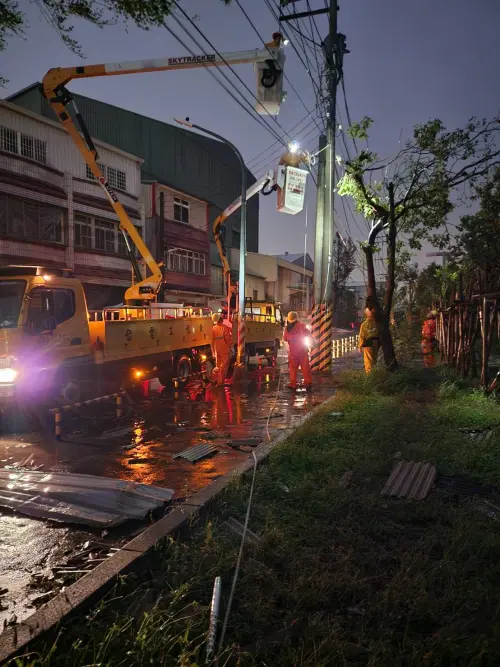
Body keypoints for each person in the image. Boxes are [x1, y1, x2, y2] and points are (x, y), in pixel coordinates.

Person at [283, 311, 313, 391]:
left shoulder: (287, 329)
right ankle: (308, 382)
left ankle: (293, 384)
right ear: (296, 318)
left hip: (293, 351)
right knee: (305, 367)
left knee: (293, 368)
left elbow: (285, 339)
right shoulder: (302, 326)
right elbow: (309, 333)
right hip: (302, 350)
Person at [211, 313, 233, 387]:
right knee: (223, 367)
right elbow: (228, 339)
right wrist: (231, 346)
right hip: (224, 349)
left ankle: (214, 380)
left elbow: (212, 341)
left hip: (217, 349)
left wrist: (213, 351)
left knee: (217, 366)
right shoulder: (225, 327)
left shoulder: (213, 328)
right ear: (220, 318)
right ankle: (220, 383)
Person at [358, 302, 380, 373]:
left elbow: (362, 336)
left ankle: (370, 375)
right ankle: (374, 373)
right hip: (376, 343)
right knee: (374, 359)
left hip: (368, 343)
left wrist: (360, 346)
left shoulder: (364, 325)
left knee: (368, 361)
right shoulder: (377, 323)